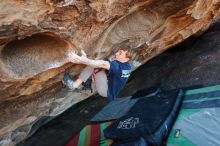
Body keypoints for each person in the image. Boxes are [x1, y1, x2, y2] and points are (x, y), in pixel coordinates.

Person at [63, 48, 131, 102]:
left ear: (127, 58)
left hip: (105, 90)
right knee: (98, 65)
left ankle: (74, 85)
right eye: (118, 51)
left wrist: (84, 60)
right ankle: (90, 84)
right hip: (109, 86)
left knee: (93, 65)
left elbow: (103, 64)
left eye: (120, 53)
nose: (116, 53)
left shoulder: (119, 68)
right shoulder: (127, 66)